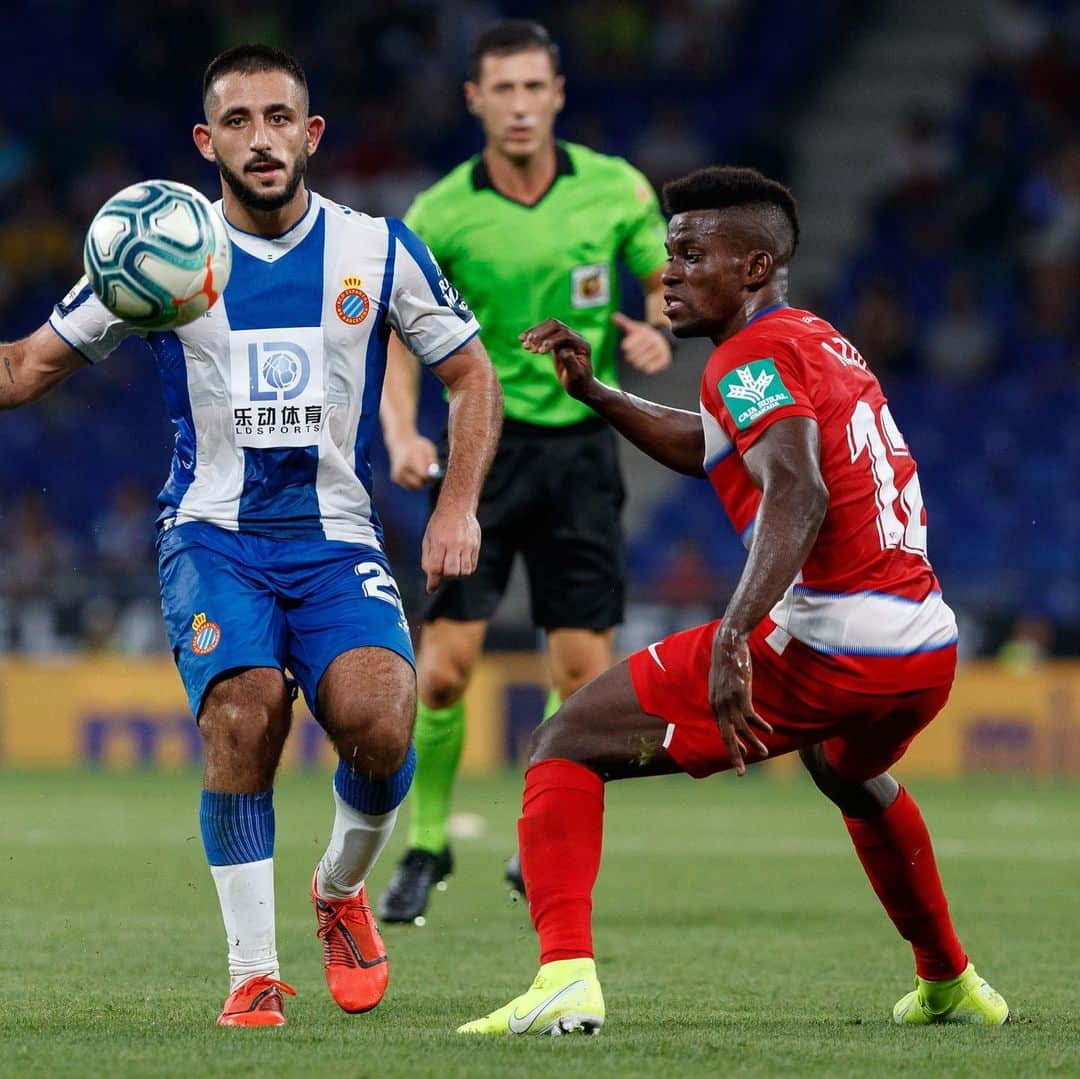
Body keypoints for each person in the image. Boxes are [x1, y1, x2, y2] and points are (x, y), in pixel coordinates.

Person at [0, 44, 502, 1027]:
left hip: (335, 538)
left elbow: (472, 374)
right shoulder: (158, 259)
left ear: (311, 134)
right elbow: (22, 370)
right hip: (214, 536)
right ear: (206, 141)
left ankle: (340, 889)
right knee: (243, 714)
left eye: (280, 117)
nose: (262, 137)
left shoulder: (377, 248)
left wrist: (456, 505)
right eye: (238, 120)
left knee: (382, 715)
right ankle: (252, 971)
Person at [458, 166, 1009, 1035]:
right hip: (923, 646)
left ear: (754, 267)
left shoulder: (749, 354)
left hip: (835, 643)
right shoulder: (813, 338)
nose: (669, 271)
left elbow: (797, 490)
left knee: (563, 740)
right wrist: (600, 393)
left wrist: (733, 636)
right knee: (848, 769)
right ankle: (950, 980)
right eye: (670, 252)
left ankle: (563, 975)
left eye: (691, 253)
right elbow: (719, 441)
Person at [377, 20, 672, 923]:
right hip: (481, 450)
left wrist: (659, 323)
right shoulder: (440, 213)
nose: (517, 105)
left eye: (532, 87)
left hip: (583, 448)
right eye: (500, 89)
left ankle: (536, 838)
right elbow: (396, 334)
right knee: (444, 671)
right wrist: (400, 430)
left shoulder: (616, 190)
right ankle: (426, 845)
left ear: (557, 95)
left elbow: (664, 275)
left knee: (584, 674)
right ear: (474, 99)